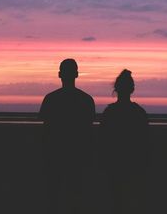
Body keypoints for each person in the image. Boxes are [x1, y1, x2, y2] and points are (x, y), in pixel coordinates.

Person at [39, 58, 96, 214]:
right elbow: (88, 131)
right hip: (78, 156)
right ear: (76, 74)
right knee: (76, 197)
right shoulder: (86, 100)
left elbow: (45, 128)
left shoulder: (51, 99)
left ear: (59, 75)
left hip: (54, 155)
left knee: (53, 197)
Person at [100, 69, 150, 214]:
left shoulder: (109, 112)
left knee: (116, 200)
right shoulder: (139, 112)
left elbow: (103, 141)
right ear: (132, 89)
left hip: (114, 163)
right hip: (134, 163)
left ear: (116, 89)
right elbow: (144, 142)